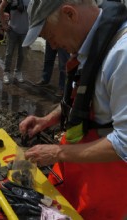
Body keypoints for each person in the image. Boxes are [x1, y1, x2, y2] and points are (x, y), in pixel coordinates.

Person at [19, 0, 127, 219]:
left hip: (106, 190)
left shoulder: (121, 56)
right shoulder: (90, 46)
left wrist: (57, 152)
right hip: (79, 176)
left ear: (70, 14)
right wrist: (47, 119)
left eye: (49, 36)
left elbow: (124, 143)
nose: (53, 45)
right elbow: (86, 99)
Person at [0, 0, 30, 84]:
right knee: (9, 53)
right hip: (12, 30)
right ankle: (6, 72)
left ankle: (18, 72)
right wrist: (4, 24)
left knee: (22, 54)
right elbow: (0, 8)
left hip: (25, 31)